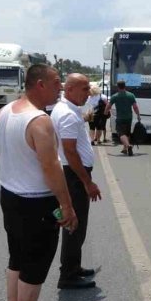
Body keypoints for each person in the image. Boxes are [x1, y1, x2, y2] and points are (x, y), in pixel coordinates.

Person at [0, 63, 78, 301]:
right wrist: (67, 205)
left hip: (10, 196)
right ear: (39, 84)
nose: (60, 88)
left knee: (17, 260)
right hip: (36, 203)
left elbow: (1, 156)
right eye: (56, 83)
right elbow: (52, 167)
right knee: (35, 266)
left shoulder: (4, 112)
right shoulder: (39, 121)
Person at [51, 74, 103, 290]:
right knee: (75, 224)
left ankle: (74, 265)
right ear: (70, 89)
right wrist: (87, 182)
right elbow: (70, 152)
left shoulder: (69, 110)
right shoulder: (67, 114)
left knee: (77, 223)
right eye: (84, 89)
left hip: (72, 172)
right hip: (73, 174)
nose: (88, 93)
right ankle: (68, 274)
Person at [105, 80, 140, 156]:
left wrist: (105, 112)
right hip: (129, 117)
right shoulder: (131, 95)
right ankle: (125, 149)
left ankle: (128, 145)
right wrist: (138, 115)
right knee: (127, 133)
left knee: (121, 133)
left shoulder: (115, 96)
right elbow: (135, 107)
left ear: (118, 87)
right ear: (125, 86)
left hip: (120, 118)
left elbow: (108, 106)